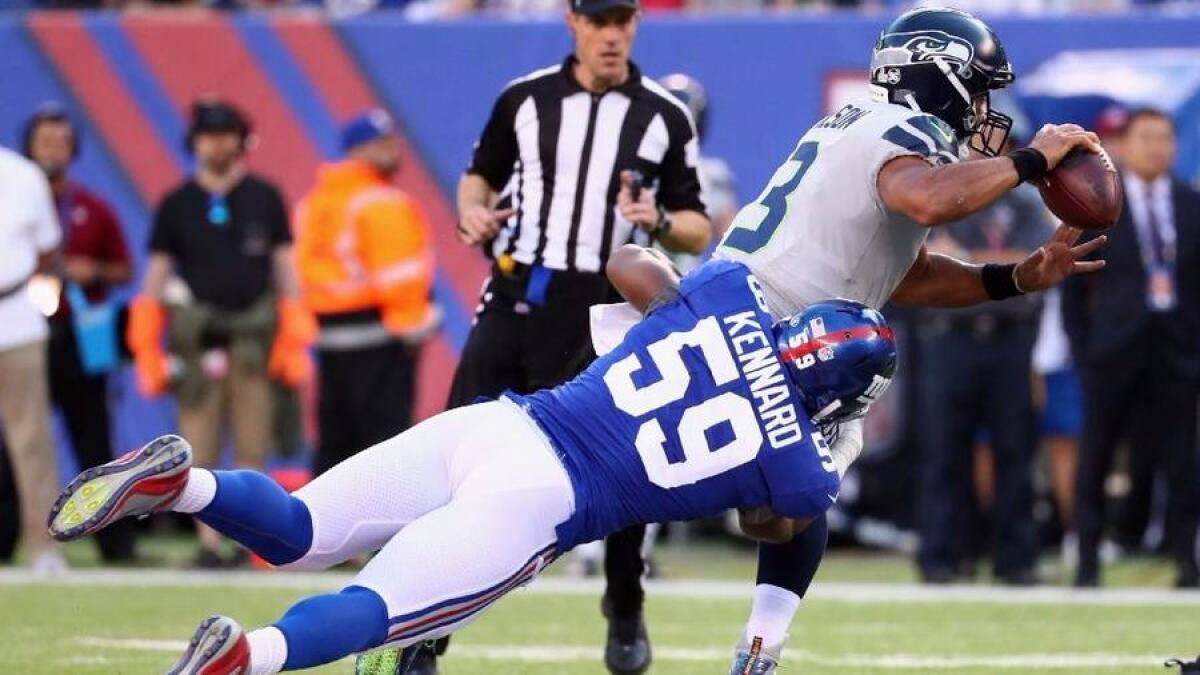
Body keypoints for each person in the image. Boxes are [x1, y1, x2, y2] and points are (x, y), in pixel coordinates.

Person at [48, 247, 897, 675]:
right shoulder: (797, 463)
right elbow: (775, 521)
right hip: (543, 500)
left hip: (495, 425)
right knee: (376, 607)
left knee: (301, 527)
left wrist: (668, 283)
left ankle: (183, 483)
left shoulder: (726, 294)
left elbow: (630, 267)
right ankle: (251, 658)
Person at [701, 8, 1107, 672]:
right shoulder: (902, 127)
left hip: (740, 311)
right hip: (779, 326)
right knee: (790, 494)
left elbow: (909, 273)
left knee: (788, 501)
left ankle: (759, 647)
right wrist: (1031, 161)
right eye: (977, 87)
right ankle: (752, 639)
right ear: (936, 75)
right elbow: (927, 201)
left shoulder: (864, 125)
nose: (984, 106)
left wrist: (1014, 276)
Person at [447, 0, 711, 671]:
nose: (612, 34)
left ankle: (624, 598)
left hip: (604, 306)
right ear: (573, 22)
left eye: (623, 19)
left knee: (624, 466)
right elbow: (478, 175)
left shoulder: (663, 115)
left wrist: (656, 221)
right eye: (599, 20)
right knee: (458, 458)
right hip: (522, 297)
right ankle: (427, 632)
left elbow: (695, 226)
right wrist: (473, 212)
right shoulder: (524, 99)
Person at [127, 98, 313, 568]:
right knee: (198, 444)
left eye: (226, 133)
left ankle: (249, 542)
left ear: (241, 140)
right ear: (195, 141)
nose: (217, 143)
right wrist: (146, 344)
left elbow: (285, 269)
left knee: (253, 443)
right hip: (198, 343)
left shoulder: (264, 196)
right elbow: (156, 274)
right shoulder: (177, 203)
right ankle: (210, 545)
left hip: (253, 339)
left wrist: (293, 333)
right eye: (209, 135)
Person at [1062, 107, 1200, 589]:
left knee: (1183, 459)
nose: (1156, 147)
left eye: (1164, 138)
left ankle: (1186, 560)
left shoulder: (1190, 203)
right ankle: (1087, 560)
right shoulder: (1100, 204)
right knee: (1097, 456)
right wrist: (1085, 351)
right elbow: (1071, 286)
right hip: (1113, 353)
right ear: (1124, 145)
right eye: (1146, 138)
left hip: (1178, 353)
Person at [914, 182, 1051, 586]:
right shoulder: (947, 198)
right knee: (944, 451)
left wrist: (967, 261)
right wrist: (1005, 267)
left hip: (1010, 338)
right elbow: (930, 257)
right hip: (950, 337)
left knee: (1015, 449)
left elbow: (1035, 260)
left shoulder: (1025, 203)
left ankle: (1016, 558)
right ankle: (941, 556)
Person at [22, 103, 139, 564]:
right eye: (44, 141)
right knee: (20, 436)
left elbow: (125, 268)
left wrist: (92, 269)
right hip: (22, 331)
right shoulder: (12, 203)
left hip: (81, 330)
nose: (53, 149)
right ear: (28, 148)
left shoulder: (91, 206)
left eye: (61, 141)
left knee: (94, 437)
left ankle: (115, 544)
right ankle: (13, 533)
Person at [293, 109, 439, 476]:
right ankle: (386, 525)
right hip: (381, 336)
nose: (396, 149)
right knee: (385, 441)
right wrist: (412, 328)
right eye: (385, 142)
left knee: (335, 440)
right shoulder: (381, 202)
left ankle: (319, 526)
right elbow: (400, 276)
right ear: (360, 149)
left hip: (329, 337)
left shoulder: (316, 203)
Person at [0, 140, 63, 575]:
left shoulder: (24, 175)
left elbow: (46, 249)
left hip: (15, 314)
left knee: (31, 439)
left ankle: (43, 548)